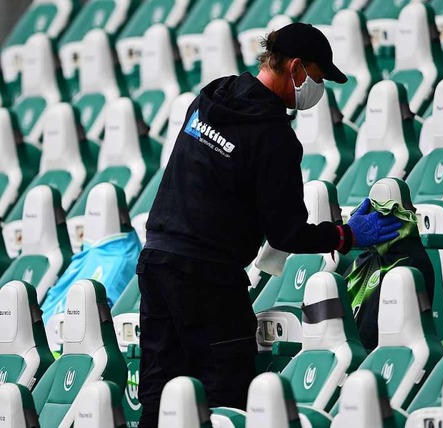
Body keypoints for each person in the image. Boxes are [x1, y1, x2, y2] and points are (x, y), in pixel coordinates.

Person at [136, 22, 402, 426]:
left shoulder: (212, 96)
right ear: (296, 68)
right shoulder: (274, 137)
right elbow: (286, 233)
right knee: (228, 395)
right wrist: (346, 234)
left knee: (160, 393)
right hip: (208, 278)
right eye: (317, 75)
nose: (319, 86)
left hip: (156, 260)